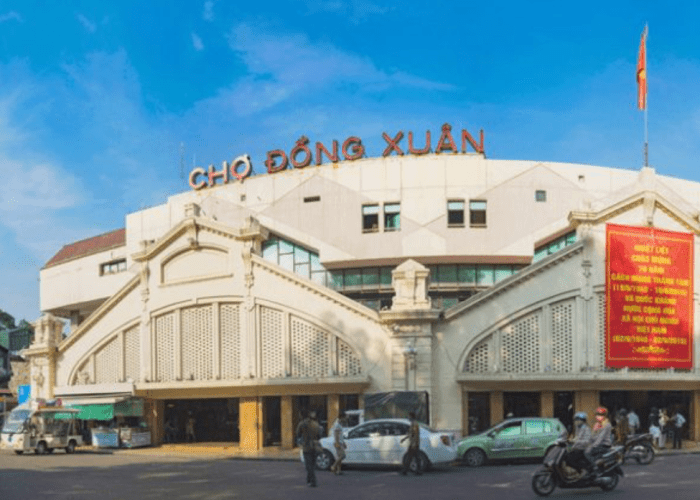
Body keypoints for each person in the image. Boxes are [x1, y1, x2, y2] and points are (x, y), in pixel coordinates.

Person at [296, 409, 321, 487]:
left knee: (308, 465)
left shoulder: (302, 424)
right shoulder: (316, 424)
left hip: (307, 446)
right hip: (315, 445)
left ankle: (313, 481)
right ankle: (309, 479)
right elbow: (319, 435)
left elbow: (298, 434)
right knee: (312, 464)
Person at [585, 407, 613, 473]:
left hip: (604, 445)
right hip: (599, 444)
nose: (599, 417)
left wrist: (592, 446)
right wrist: (594, 431)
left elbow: (600, 438)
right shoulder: (598, 424)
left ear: (604, 416)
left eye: (601, 415)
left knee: (586, 453)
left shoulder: (606, 425)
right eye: (597, 415)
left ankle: (594, 467)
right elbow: (593, 437)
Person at [400, 411, 422, 475]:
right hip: (414, 443)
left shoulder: (414, 424)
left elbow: (415, 434)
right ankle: (418, 471)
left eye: (409, 416)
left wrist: (414, 444)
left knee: (409, 457)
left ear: (411, 416)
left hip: (413, 443)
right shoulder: (413, 423)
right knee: (415, 457)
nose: (408, 417)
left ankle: (405, 470)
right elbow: (411, 434)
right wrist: (404, 439)